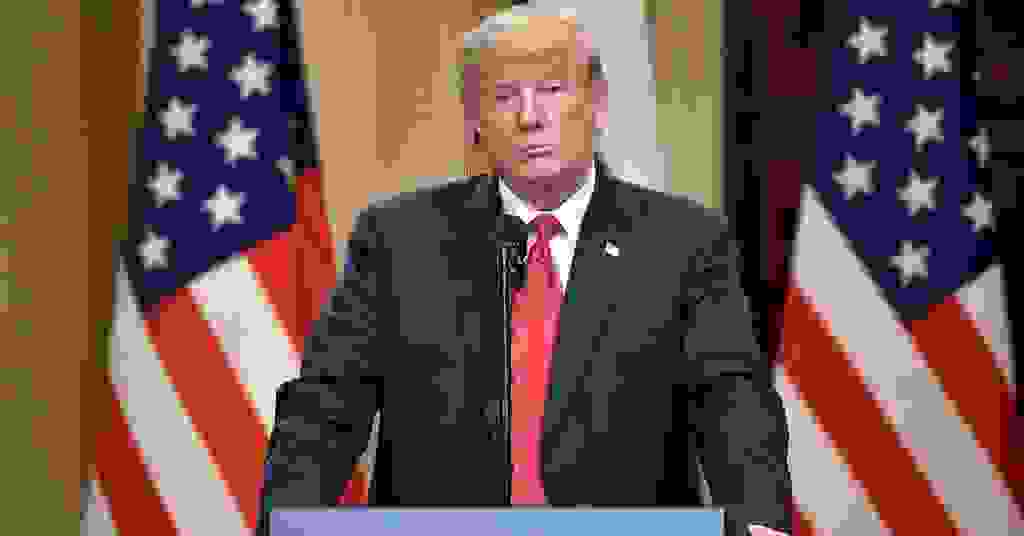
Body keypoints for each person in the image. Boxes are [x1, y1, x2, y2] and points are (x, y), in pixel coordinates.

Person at [261, 6, 792, 536]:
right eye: (503, 96)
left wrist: (761, 523)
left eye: (553, 89)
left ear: (598, 103)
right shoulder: (399, 239)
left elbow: (733, 406)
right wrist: (285, 523)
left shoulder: (683, 241)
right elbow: (325, 406)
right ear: (474, 120)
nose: (530, 117)